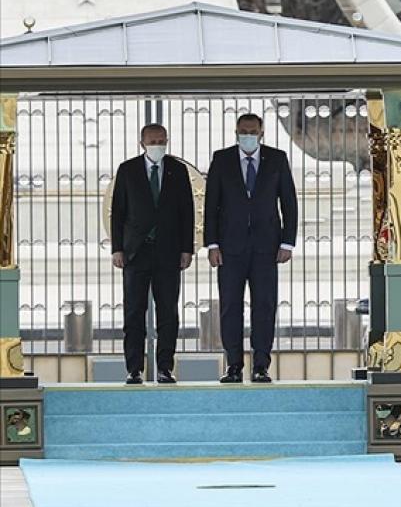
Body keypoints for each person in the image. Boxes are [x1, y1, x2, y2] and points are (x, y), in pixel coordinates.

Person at [204, 113, 298, 384]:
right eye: (243, 130)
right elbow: (212, 205)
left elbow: (288, 203)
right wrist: (212, 244)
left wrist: (287, 242)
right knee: (230, 307)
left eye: (252, 131)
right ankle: (233, 365)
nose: (248, 135)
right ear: (236, 131)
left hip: (266, 247)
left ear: (261, 132)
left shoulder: (277, 159)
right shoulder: (222, 159)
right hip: (229, 247)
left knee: (264, 306)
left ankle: (261, 365)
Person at [110, 123, 194, 385]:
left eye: (162, 140)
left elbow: (187, 212)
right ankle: (134, 368)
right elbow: (118, 212)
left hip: (169, 253)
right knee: (134, 311)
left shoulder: (177, 170)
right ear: (142, 142)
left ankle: (165, 368)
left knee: (168, 312)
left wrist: (186, 248)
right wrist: (117, 248)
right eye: (152, 141)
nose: (157, 145)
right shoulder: (127, 170)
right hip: (136, 253)